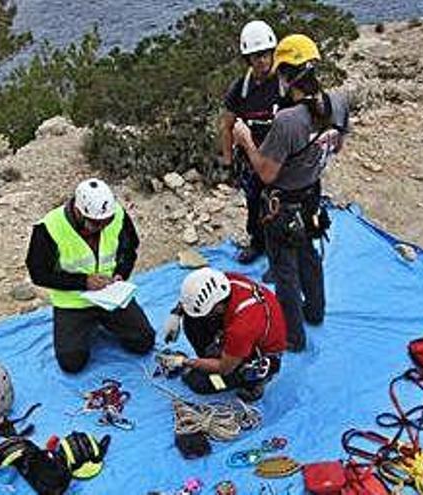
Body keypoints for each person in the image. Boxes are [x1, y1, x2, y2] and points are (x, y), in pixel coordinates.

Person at [232, 34, 348, 351]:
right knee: (309, 254)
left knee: (285, 271)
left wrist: (245, 140)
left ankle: (293, 338)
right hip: (312, 194)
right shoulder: (337, 102)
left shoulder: (288, 121)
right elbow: (336, 144)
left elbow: (266, 171)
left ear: (285, 74)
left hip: (281, 205)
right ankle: (315, 311)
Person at [26, 178, 155, 372]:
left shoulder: (116, 215)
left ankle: (103, 322)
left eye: (106, 222)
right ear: (78, 211)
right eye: (96, 224)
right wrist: (83, 282)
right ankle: (89, 325)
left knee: (143, 342)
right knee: (72, 363)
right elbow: (39, 274)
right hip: (74, 302)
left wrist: (121, 273)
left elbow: (130, 249)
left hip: (112, 296)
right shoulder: (49, 228)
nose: (102, 227)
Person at [160, 267, 287, 402]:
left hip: (258, 355)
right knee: (192, 320)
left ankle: (253, 382)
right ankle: (213, 356)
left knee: (200, 382)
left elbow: (223, 367)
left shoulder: (241, 329)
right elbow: (195, 295)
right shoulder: (225, 282)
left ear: (218, 307)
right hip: (243, 333)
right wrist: (177, 313)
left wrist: (186, 362)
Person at [219, 20, 283, 265]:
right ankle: (258, 243)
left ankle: (280, 251)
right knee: (255, 202)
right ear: (248, 59)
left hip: (278, 156)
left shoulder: (283, 84)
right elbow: (226, 124)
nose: (262, 61)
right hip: (251, 157)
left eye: (266, 55)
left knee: (280, 205)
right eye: (256, 56)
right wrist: (227, 161)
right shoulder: (240, 89)